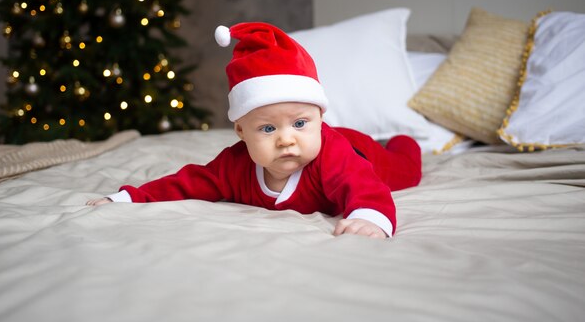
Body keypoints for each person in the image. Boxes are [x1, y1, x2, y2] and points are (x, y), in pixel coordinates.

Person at [87, 22, 421, 239]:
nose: (287, 138)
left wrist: (371, 219)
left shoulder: (330, 154)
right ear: (241, 131)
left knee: (405, 171)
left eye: (301, 123)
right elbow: (187, 181)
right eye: (267, 127)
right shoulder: (234, 165)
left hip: (358, 149)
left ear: (319, 117)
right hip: (328, 140)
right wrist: (128, 197)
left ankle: (403, 141)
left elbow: (363, 187)